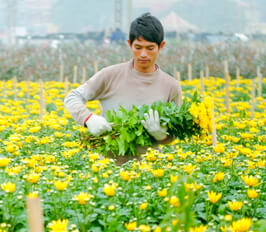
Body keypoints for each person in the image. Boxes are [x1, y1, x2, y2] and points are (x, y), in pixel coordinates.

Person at [64, 13, 182, 141]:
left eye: (150, 48)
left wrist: (162, 136)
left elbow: (176, 133)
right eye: (138, 47)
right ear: (129, 44)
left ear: (161, 46)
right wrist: (88, 118)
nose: (143, 54)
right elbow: (72, 97)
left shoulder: (171, 86)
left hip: (151, 159)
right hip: (109, 160)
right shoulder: (110, 75)